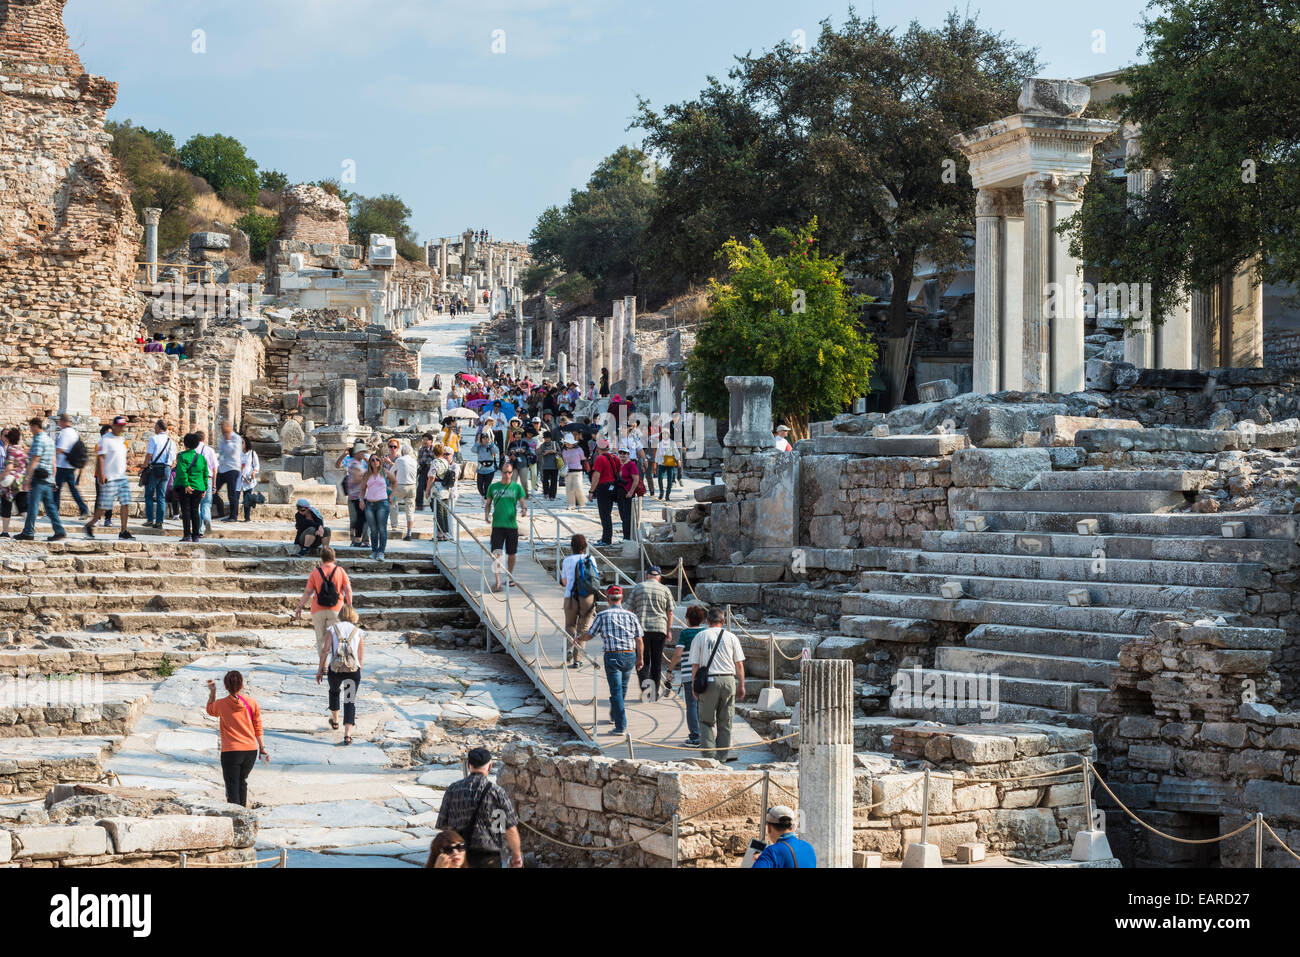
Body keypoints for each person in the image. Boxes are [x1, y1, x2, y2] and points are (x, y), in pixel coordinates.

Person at [435, 747, 523, 869]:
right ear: (490, 766)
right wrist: (516, 856)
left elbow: (444, 827)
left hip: (459, 857)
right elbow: (510, 829)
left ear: (469, 765)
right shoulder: (497, 792)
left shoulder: (452, 790)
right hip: (489, 858)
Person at [577, 585, 644, 735]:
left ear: (608, 599)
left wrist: (578, 638)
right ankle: (615, 715)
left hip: (613, 656)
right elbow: (639, 639)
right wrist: (640, 658)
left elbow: (590, 635)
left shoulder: (602, 615)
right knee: (623, 688)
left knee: (616, 691)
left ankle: (620, 726)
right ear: (621, 599)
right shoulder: (631, 616)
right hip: (630, 654)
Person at [689, 606, 746, 762]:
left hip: (709, 681)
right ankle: (722, 757)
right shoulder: (732, 637)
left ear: (707, 621)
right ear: (723, 621)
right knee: (725, 721)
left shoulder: (700, 636)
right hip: (728, 680)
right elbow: (739, 664)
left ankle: (710, 757)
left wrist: (694, 685)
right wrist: (741, 684)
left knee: (706, 720)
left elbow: (695, 665)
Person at [205, 670, 268, 807]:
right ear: (242, 685)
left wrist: (212, 692)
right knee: (242, 782)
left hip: (231, 752)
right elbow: (258, 726)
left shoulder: (221, 704)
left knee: (232, 785)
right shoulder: (252, 703)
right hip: (251, 750)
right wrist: (262, 748)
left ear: (226, 686)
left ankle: (235, 818)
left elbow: (209, 709)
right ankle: (243, 813)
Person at [316, 603, 364, 744]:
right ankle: (347, 734)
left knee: (334, 692)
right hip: (352, 670)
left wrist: (320, 670)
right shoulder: (358, 631)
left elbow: (325, 651)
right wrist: (358, 671)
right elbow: (360, 656)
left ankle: (335, 721)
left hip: (335, 669)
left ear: (340, 615)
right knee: (349, 700)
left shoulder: (333, 629)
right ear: (354, 615)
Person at [294, 544, 353, 655]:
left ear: (321, 558)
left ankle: (323, 666)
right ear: (333, 557)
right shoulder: (340, 571)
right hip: (336, 609)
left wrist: (300, 606)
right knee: (336, 637)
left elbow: (308, 592)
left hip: (318, 609)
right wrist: (349, 606)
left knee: (320, 638)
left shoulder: (315, 572)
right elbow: (348, 590)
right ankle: (334, 665)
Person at [629, 565, 675, 701]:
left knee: (642, 660)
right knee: (657, 662)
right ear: (659, 577)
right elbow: (670, 612)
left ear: (647, 575)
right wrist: (668, 630)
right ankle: (653, 693)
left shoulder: (638, 587)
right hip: (660, 628)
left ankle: (646, 690)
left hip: (641, 629)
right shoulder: (665, 589)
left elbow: (629, 609)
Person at [82, 415, 131, 540]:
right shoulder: (105, 439)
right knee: (105, 505)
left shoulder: (122, 440)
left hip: (122, 477)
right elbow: (101, 457)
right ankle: (90, 524)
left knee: (125, 503)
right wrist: (101, 474)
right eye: (119, 426)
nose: (121, 428)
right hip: (110, 477)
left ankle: (123, 530)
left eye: (123, 426)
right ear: (114, 426)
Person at [17, 418, 66, 542]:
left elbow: (34, 460)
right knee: (50, 507)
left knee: (32, 505)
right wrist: (53, 479)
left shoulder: (38, 439)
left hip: (38, 478)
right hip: (48, 478)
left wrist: (27, 478)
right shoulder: (50, 440)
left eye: (31, 427)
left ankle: (28, 532)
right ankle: (59, 530)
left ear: (34, 426)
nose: (30, 430)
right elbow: (54, 462)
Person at [666, 605, 707, 746]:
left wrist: (669, 670)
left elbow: (678, 654)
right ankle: (706, 735)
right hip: (706, 674)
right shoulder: (706, 632)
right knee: (705, 705)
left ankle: (695, 736)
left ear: (688, 619)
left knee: (691, 705)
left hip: (690, 675)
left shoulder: (685, 633)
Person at [484, 461, 526, 591]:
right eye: (504, 472)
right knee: (496, 553)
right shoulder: (493, 487)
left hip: (511, 525)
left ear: (512, 473)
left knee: (511, 553)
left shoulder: (517, 487)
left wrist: (524, 509)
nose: (506, 474)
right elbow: (488, 503)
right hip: (497, 525)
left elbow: (522, 502)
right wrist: (487, 514)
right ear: (501, 472)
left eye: (509, 472)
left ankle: (510, 576)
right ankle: (497, 581)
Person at [560, 534, 597, 668]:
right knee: (583, 628)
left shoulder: (567, 560)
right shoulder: (591, 559)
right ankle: (578, 659)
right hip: (587, 596)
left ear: (572, 546)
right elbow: (595, 578)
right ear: (585, 546)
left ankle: (569, 650)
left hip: (570, 596)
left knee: (570, 626)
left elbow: (564, 582)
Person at [752, 805, 816, 868]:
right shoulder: (808, 847)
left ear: (769, 827)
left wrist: (763, 860)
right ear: (793, 826)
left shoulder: (771, 852)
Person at [173, 432, 209, 543]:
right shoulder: (201, 458)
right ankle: (196, 536)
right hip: (199, 487)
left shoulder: (183, 456)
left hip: (186, 488)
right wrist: (205, 488)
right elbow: (205, 474)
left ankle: (187, 535)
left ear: (185, 444)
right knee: (195, 511)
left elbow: (181, 472)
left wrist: (187, 485)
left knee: (186, 511)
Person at [53, 413, 90, 520]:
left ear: (63, 422)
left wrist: (50, 452)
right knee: (73, 489)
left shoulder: (65, 433)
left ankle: (54, 512)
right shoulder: (74, 433)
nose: (59, 424)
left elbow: (60, 449)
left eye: (59, 421)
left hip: (62, 466)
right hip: (70, 466)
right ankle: (84, 509)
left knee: (56, 489)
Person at [140, 419, 175, 529]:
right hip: (166, 469)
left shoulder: (153, 439)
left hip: (155, 468)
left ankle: (150, 519)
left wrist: (143, 467)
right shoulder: (171, 441)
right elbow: (173, 460)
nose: (154, 428)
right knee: (161, 496)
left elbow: (149, 455)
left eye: (155, 426)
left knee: (149, 495)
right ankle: (159, 521)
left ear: (159, 427)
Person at [337, 441, 370, 549]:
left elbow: (375, 467)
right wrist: (344, 454)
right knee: (355, 519)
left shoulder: (366, 459)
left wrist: (366, 460)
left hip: (363, 495)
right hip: (354, 495)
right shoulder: (351, 461)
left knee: (363, 519)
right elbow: (337, 465)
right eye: (361, 451)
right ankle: (355, 540)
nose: (363, 453)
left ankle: (365, 540)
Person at [589, 438, 620, 546]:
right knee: (608, 513)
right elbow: (619, 472)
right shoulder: (615, 457)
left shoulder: (600, 459)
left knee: (604, 514)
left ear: (598, 448)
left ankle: (606, 539)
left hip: (603, 488)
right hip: (613, 487)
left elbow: (596, 476)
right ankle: (605, 537)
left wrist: (591, 491)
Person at [386, 439, 419, 541]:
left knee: (391, 501)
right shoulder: (414, 461)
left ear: (402, 451)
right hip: (412, 487)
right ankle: (409, 533)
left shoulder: (399, 460)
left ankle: (393, 525)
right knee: (410, 510)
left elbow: (391, 472)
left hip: (400, 486)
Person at [360, 453, 391, 560]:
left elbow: (395, 482)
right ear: (370, 462)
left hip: (382, 503)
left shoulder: (385, 472)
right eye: (372, 460)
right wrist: (361, 500)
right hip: (369, 504)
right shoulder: (366, 475)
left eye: (377, 459)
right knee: (373, 530)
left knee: (382, 529)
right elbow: (363, 489)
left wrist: (392, 495)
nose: (375, 461)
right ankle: (374, 551)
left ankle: (381, 551)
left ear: (380, 461)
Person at [614, 445, 645, 543]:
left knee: (627, 516)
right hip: (619, 492)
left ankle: (627, 537)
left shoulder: (631, 464)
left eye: (624, 453)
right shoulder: (618, 464)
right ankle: (625, 536)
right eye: (620, 453)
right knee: (622, 516)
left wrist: (631, 492)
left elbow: (635, 479)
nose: (622, 455)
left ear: (628, 454)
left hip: (627, 492)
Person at [0, 428, 28, 538]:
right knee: (23, 507)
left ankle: (5, 531)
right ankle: (30, 528)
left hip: (11, 484)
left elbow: (8, 468)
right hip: (22, 482)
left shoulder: (10, 450)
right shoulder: (21, 450)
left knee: (6, 506)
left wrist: (0, 478)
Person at [215, 420, 243, 523]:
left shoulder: (236, 438)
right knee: (213, 489)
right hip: (222, 469)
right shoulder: (223, 438)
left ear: (228, 427)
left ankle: (233, 516)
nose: (221, 429)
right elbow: (221, 452)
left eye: (223, 426)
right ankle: (220, 511)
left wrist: (228, 440)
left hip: (232, 469)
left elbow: (232, 452)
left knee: (231, 494)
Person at [427, 443, 454, 541]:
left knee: (438, 512)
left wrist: (427, 490)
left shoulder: (434, 462)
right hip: (445, 489)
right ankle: (445, 534)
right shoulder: (445, 462)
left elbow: (431, 477)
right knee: (444, 512)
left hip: (437, 489)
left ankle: (439, 534)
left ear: (434, 452)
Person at [195, 430, 217, 535]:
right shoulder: (210, 450)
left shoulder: (192, 450)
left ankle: (199, 530)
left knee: (196, 505)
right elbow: (214, 469)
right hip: (207, 478)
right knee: (206, 504)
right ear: (204, 439)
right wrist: (214, 484)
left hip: (195, 479)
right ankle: (207, 520)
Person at [560, 434, 587, 508]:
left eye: (569, 442)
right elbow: (563, 460)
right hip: (568, 471)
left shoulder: (579, 449)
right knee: (569, 489)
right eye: (566, 442)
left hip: (578, 471)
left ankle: (582, 501)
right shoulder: (564, 450)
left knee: (577, 486)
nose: (567, 444)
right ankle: (570, 505)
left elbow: (583, 458)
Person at [474, 429, 500, 501]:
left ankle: (486, 497)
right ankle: (483, 495)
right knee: (479, 486)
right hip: (480, 469)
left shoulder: (490, 446)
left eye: (486, 438)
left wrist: (492, 445)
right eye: (483, 438)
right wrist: (477, 443)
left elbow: (496, 451)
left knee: (487, 485)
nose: (485, 440)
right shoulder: (479, 447)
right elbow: (473, 450)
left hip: (489, 469)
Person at [654, 429, 681, 501]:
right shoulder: (659, 443)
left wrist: (678, 460)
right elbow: (657, 454)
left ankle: (667, 495)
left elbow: (676, 452)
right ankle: (661, 492)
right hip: (661, 463)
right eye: (663, 434)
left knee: (670, 480)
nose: (664, 435)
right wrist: (655, 463)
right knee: (660, 478)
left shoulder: (672, 443)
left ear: (669, 435)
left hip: (669, 463)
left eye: (666, 434)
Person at [237, 444, 260, 522]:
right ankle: (233, 515)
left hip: (248, 479)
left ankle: (247, 517)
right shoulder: (236, 453)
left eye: (242, 442)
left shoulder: (252, 453)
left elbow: (256, 466)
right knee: (235, 497)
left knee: (247, 498)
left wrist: (254, 472)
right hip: (238, 478)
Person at [415, 433, 437, 512]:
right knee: (420, 487)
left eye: (426, 440)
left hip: (432, 469)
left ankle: (433, 504)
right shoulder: (421, 449)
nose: (424, 441)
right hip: (423, 469)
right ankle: (419, 504)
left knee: (432, 487)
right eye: (423, 439)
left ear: (431, 441)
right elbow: (419, 459)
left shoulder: (434, 449)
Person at [537, 431, 561, 501]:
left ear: (550, 438)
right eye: (545, 438)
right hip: (545, 466)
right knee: (545, 481)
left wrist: (553, 451)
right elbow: (539, 454)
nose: (547, 439)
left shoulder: (555, 443)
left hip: (554, 466)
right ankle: (546, 492)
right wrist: (544, 453)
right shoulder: (542, 445)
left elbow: (560, 452)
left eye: (548, 438)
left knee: (554, 481)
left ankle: (552, 495)